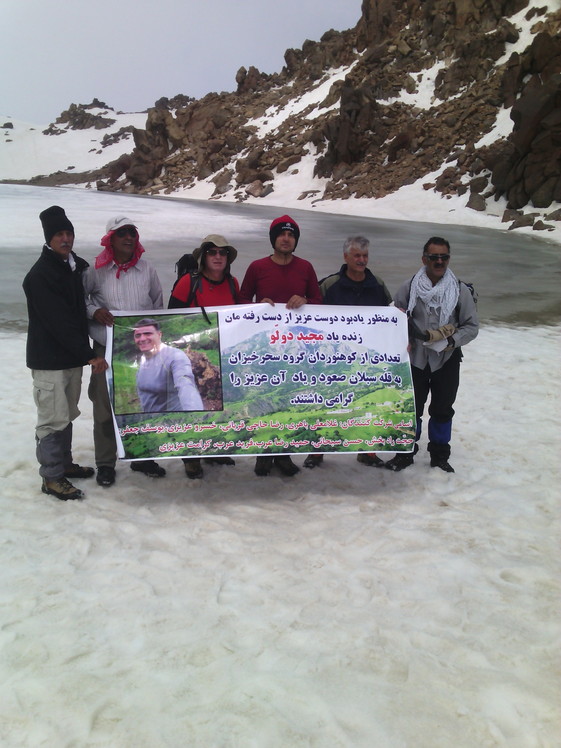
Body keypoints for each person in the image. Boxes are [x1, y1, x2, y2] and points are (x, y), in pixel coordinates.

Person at [23, 206, 107, 501]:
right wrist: (89, 354)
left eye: (69, 232)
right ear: (49, 238)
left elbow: (78, 311)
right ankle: (52, 477)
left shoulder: (72, 267)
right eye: (59, 234)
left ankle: (65, 465)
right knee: (52, 419)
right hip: (50, 361)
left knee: (66, 414)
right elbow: (59, 323)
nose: (65, 238)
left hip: (69, 359)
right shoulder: (40, 276)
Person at [83, 216, 165, 487]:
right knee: (104, 409)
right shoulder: (95, 271)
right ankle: (106, 463)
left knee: (142, 403)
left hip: (140, 351)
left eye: (132, 233)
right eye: (122, 234)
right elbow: (80, 300)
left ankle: (141, 456)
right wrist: (95, 311)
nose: (129, 238)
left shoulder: (147, 269)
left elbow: (157, 303)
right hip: (106, 349)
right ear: (110, 239)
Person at [239, 215, 323, 477]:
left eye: (291, 235)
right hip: (263, 346)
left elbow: (320, 302)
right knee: (264, 397)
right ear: (274, 238)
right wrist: (257, 305)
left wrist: (305, 299)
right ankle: (264, 454)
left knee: (289, 398)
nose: (286, 239)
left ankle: (283, 454)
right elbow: (241, 300)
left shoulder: (306, 268)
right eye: (282, 234)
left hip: (296, 347)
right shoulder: (257, 267)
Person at [386, 236, 478, 473]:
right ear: (424, 258)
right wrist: (401, 341)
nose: (439, 261)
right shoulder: (409, 287)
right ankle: (405, 453)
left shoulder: (459, 290)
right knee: (410, 408)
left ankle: (439, 455)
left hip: (446, 360)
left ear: (448, 258)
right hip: (415, 360)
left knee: (442, 409)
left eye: (444, 257)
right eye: (434, 256)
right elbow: (395, 319)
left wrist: (450, 342)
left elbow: (471, 326)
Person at [305, 235, 393, 469]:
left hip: (367, 359)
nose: (362, 260)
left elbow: (389, 319)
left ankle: (367, 451)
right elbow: (312, 315)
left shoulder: (379, 285)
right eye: (357, 256)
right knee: (324, 402)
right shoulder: (329, 284)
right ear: (345, 257)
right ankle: (317, 451)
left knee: (368, 405)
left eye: (365, 256)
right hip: (332, 356)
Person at [169, 234, 239, 479]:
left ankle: (213, 447)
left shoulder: (233, 284)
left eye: (223, 253)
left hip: (221, 353)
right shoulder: (188, 283)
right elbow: (171, 318)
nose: (218, 257)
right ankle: (191, 456)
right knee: (191, 404)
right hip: (190, 356)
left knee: (216, 402)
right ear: (203, 257)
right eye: (213, 252)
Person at [133, 318, 204, 413]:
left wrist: (195, 416)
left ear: (159, 334)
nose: (142, 339)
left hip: (173, 422)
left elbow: (186, 385)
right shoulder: (141, 360)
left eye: (147, 334)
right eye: (138, 335)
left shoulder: (174, 356)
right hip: (150, 423)